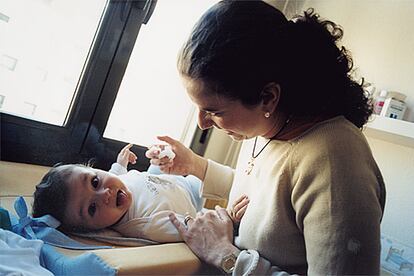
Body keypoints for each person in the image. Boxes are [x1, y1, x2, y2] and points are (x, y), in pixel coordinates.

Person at [146, 0, 386, 274]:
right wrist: (194, 165)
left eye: (213, 111)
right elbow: (264, 200)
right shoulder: (269, 125)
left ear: (268, 98)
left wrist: (224, 254)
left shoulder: (334, 161)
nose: (201, 123)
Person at [32, 144, 249, 243]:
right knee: (225, 188)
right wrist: (228, 219)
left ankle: (164, 157)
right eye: (92, 208)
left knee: (159, 161)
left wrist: (120, 164)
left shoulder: (116, 182)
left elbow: (115, 174)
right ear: (91, 229)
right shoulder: (145, 224)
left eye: (95, 181)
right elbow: (193, 229)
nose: (105, 194)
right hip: (189, 198)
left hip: (164, 181)